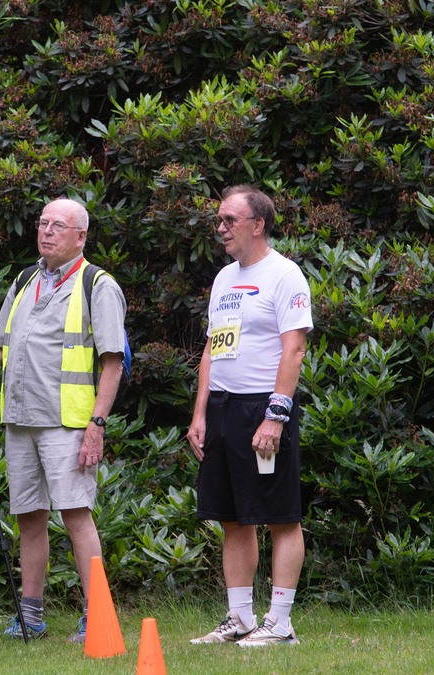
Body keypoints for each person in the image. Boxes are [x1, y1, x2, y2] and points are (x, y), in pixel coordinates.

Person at [0, 197, 127, 644]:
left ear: (81, 236)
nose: (47, 231)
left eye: (58, 225)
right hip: (20, 421)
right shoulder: (24, 280)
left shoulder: (97, 284)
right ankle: (31, 617)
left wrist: (96, 425)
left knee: (76, 516)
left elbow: (113, 363)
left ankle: (97, 616)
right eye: (43, 223)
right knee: (29, 519)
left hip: (68, 424)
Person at [186, 185, 313, 647]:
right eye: (219, 220)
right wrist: (200, 414)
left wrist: (275, 416)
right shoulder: (223, 278)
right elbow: (211, 349)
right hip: (223, 409)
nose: (220, 228)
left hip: (264, 407)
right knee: (232, 517)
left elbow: (294, 348)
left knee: (280, 517)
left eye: (229, 220)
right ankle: (240, 618)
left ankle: (280, 624)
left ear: (258, 225)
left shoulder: (285, 274)